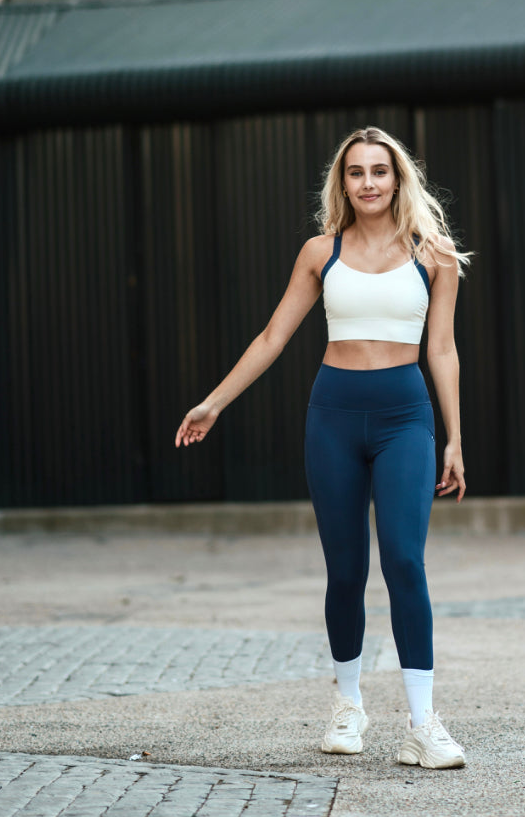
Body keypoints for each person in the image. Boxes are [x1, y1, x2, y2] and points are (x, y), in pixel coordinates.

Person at [175, 126, 470, 770]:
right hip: (333, 417)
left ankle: (423, 724)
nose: (368, 183)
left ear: (398, 180)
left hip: (406, 419)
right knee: (345, 570)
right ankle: (349, 705)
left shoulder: (434, 255)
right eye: (356, 172)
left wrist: (454, 439)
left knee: (404, 561)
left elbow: (442, 349)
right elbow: (272, 337)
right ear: (342, 183)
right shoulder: (320, 252)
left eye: (380, 171)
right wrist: (214, 401)